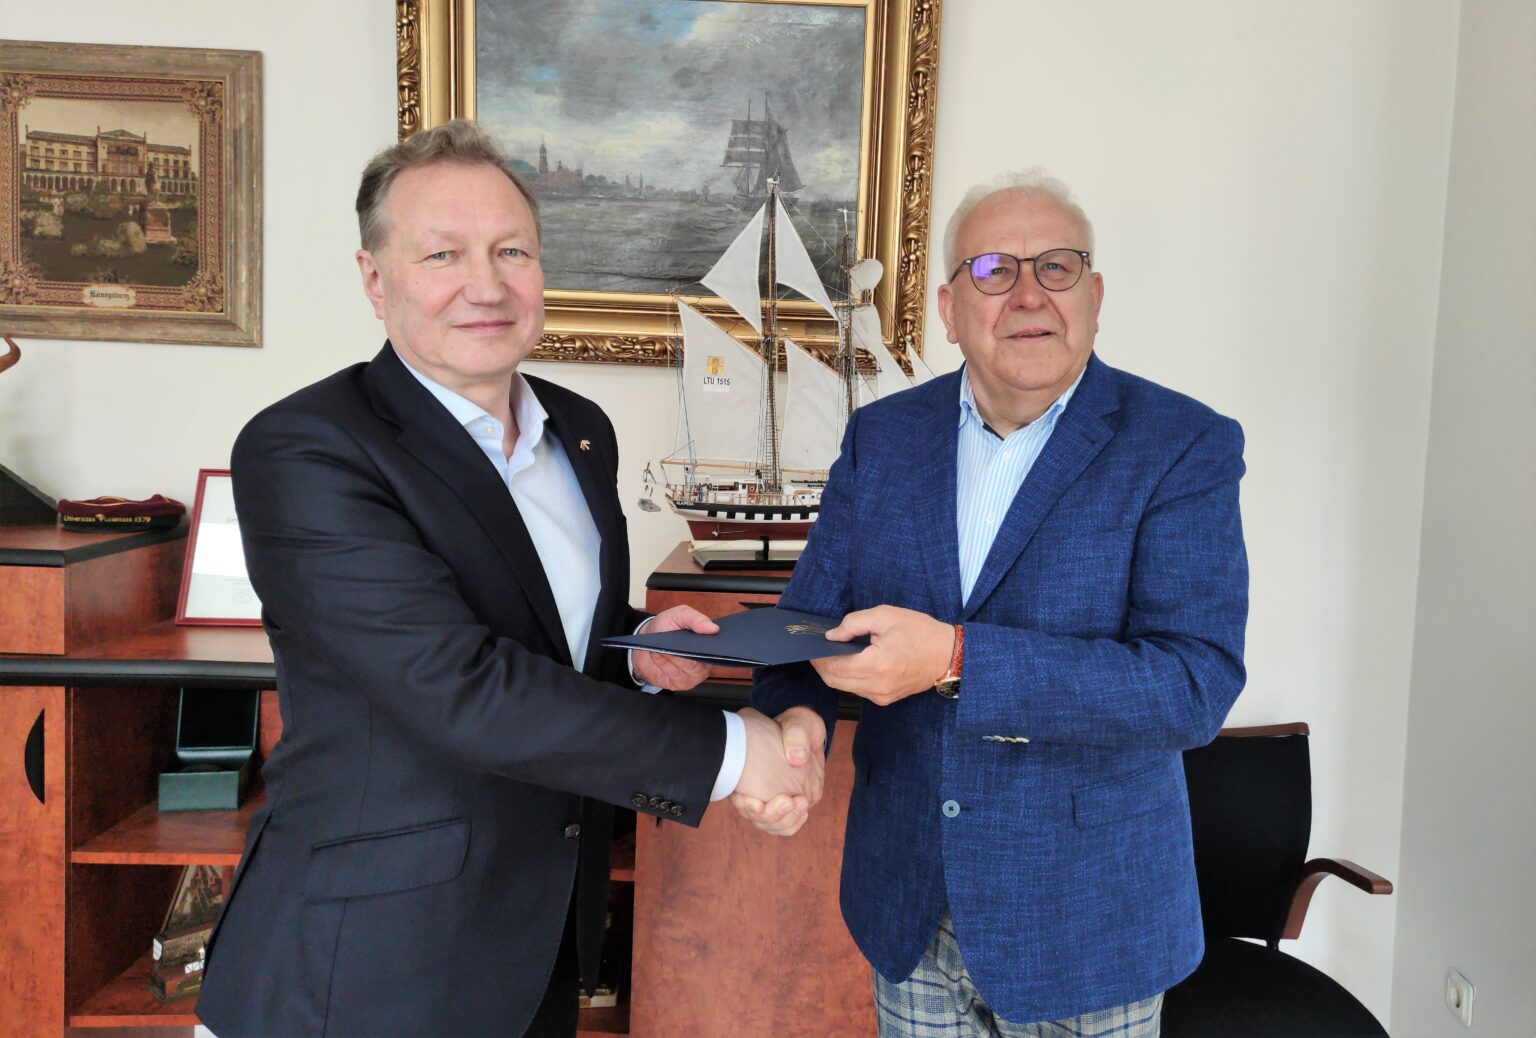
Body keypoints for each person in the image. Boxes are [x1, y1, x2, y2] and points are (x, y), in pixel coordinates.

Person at [196, 120, 820, 1038]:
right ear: (375, 278)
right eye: (442, 254)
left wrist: (635, 650)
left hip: (535, 947)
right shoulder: (307, 448)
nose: (485, 286)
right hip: (362, 966)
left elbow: (535, 626)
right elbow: (458, 686)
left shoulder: (580, 428)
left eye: (511, 251)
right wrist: (733, 753)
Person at [741, 171, 1249, 1037]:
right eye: (993, 270)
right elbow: (807, 628)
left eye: (1056, 266)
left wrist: (956, 659)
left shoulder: (1183, 444)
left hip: (1090, 926)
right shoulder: (882, 438)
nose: (1028, 294)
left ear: (1094, 296)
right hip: (908, 908)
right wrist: (796, 726)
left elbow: (1192, 685)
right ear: (949, 308)